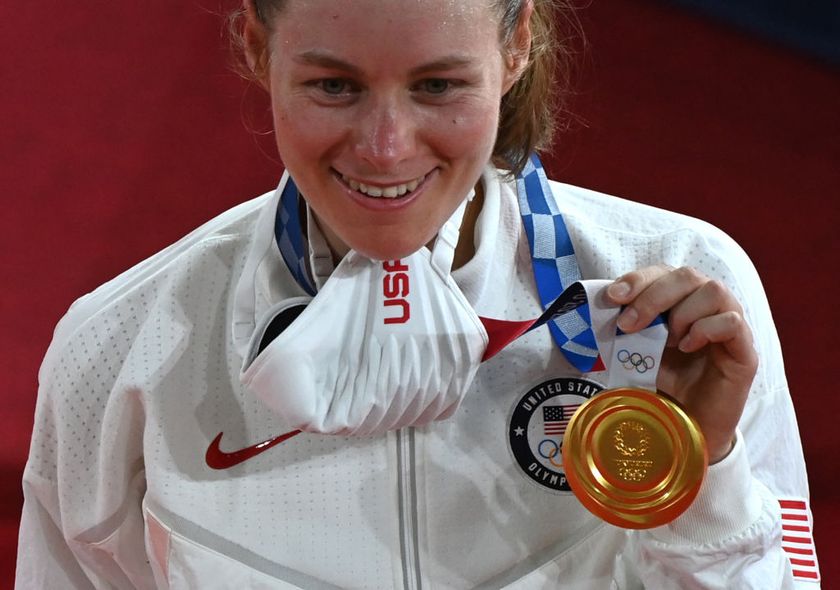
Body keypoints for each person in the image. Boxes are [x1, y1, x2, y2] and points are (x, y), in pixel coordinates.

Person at [16, 0, 819, 588]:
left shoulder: (685, 292)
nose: (387, 148)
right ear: (258, 49)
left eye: (438, 86)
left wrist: (703, 475)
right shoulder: (117, 348)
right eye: (334, 86)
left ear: (517, 48)